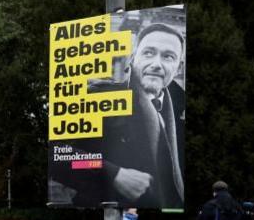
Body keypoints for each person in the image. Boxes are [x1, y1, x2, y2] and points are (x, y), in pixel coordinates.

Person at [51, 22, 186, 208]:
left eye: (168, 56)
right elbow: (57, 155)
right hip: (102, 219)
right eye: (148, 53)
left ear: (178, 68)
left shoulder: (180, 115)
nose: (156, 64)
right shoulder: (101, 96)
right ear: (133, 57)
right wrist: (112, 173)